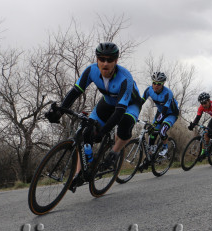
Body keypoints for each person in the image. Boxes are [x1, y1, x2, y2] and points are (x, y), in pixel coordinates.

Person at [45, 42, 143, 186]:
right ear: (97, 59)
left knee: (125, 124)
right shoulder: (91, 71)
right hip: (108, 102)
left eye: (110, 60)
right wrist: (59, 112)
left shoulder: (125, 78)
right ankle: (80, 173)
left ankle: (115, 153)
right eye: (102, 59)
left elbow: (119, 111)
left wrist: (103, 132)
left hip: (129, 105)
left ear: (116, 61)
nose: (105, 63)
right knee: (86, 132)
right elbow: (75, 92)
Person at [141, 71, 179, 157]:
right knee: (153, 132)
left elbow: (165, 111)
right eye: (154, 83)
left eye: (159, 84)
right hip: (160, 112)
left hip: (171, 114)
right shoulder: (149, 90)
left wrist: (154, 124)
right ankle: (150, 158)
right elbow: (140, 103)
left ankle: (165, 148)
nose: (156, 85)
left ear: (163, 84)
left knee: (162, 131)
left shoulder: (168, 93)